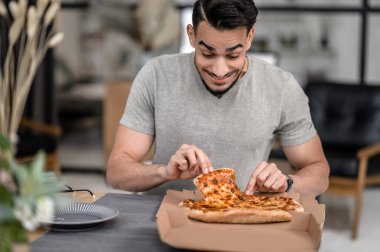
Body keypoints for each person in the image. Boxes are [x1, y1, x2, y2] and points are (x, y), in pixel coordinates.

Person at [106, 0, 329, 197]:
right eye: (208, 53)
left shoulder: (282, 88)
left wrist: (287, 183)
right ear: (192, 35)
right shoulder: (156, 75)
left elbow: (318, 172)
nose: (219, 70)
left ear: (250, 38)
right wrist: (165, 171)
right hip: (160, 215)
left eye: (233, 55)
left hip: (237, 217)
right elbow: (116, 173)